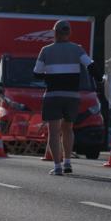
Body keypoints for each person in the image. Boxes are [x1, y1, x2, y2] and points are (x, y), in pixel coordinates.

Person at [33, 20, 93, 175]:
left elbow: (37, 73)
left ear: (55, 33)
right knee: (68, 129)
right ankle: (68, 162)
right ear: (69, 33)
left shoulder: (45, 50)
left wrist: (50, 75)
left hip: (53, 95)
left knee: (54, 131)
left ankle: (57, 166)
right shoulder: (78, 49)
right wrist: (100, 79)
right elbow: (91, 65)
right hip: (72, 96)